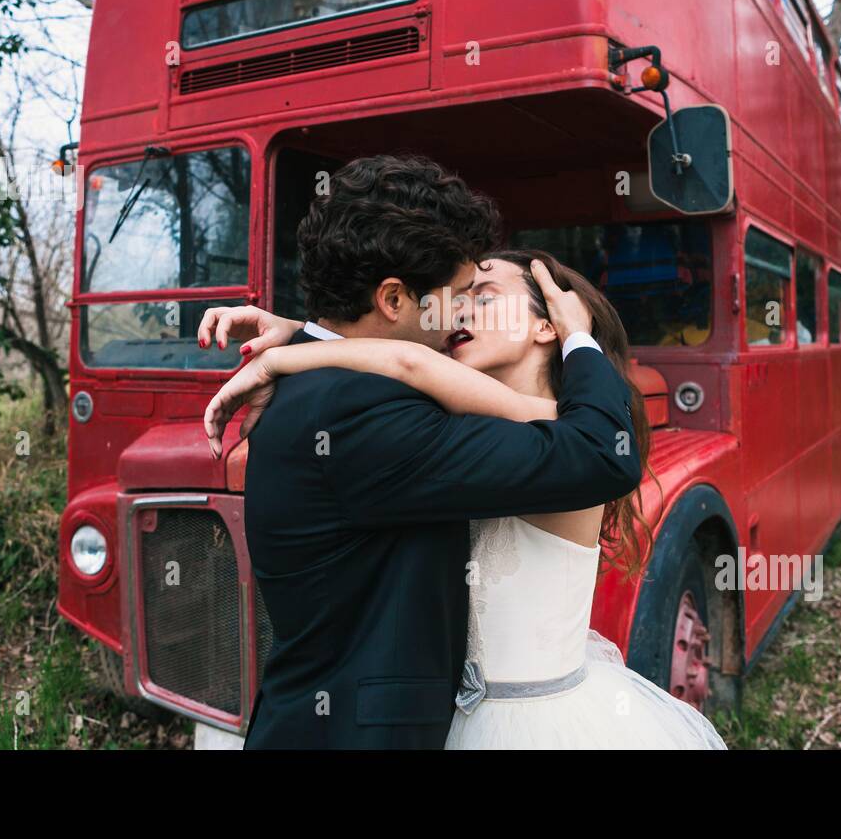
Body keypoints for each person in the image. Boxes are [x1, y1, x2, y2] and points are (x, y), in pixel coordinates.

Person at [204, 236, 728, 748]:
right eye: (460, 297)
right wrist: (303, 334)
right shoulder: (462, 423)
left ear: (547, 325)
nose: (459, 314)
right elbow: (405, 362)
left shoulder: (569, 439)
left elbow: (409, 361)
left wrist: (292, 353)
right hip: (439, 718)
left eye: (483, 297)